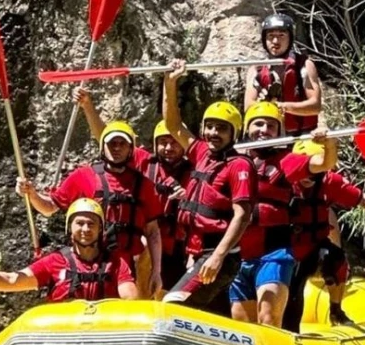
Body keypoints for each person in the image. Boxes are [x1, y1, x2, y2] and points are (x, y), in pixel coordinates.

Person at [16, 120, 164, 297]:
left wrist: (156, 271)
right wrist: (31, 194)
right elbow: (48, 208)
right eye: (112, 144)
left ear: (131, 149)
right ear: (102, 147)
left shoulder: (145, 185)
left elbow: (153, 232)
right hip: (99, 262)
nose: (116, 148)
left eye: (122, 144)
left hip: (135, 263)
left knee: (136, 311)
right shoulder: (83, 176)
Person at [71, 89, 193, 291]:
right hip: (145, 243)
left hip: (178, 246)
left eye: (174, 142)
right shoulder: (143, 160)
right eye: (163, 142)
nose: (169, 148)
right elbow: (106, 138)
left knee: (170, 298)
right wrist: (87, 106)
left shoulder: (194, 168)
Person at [229, 102, 338, 327]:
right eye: (258, 124)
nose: (264, 130)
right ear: (246, 129)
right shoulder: (231, 159)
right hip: (238, 256)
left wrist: (328, 144)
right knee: (242, 325)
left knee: (268, 318)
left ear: (279, 133)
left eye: (271, 126)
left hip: (274, 252)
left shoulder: (285, 161)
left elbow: (324, 163)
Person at [159, 60, 256, 313]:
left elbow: (242, 215)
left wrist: (217, 257)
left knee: (173, 305)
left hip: (219, 253)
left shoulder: (239, 165)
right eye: (210, 127)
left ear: (234, 133)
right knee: (196, 310)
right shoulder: (201, 152)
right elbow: (172, 124)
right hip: (196, 248)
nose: (214, 132)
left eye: (222, 128)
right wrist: (170, 83)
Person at [282, 140, 365, 331]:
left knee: (336, 260)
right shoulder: (282, 182)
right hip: (285, 246)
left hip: (313, 246)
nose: (307, 176)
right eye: (304, 169)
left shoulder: (330, 181)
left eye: (312, 170)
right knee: (292, 297)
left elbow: (362, 199)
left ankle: (335, 310)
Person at [0, 198, 138, 301]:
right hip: (62, 334)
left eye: (91, 224)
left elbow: (130, 297)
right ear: (69, 228)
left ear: (100, 229)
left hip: (102, 331)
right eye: (79, 223)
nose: (85, 229)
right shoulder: (55, 262)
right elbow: (12, 280)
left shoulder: (115, 262)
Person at [244, 13, 323, 136]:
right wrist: (264, 105)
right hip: (268, 136)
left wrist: (282, 107)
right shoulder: (256, 69)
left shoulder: (304, 65)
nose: (275, 41)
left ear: (290, 38)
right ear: (264, 39)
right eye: (270, 36)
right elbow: (248, 107)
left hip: (301, 136)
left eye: (281, 35)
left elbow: (315, 106)